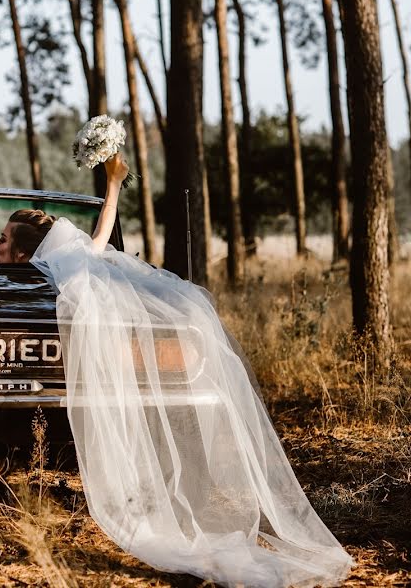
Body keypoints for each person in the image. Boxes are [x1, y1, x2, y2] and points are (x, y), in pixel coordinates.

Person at [19, 153, 353, 588]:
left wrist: (114, 183)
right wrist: (113, 184)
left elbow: (97, 239)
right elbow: (101, 234)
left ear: (29, 249)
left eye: (4, 240)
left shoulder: (60, 265)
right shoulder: (73, 258)